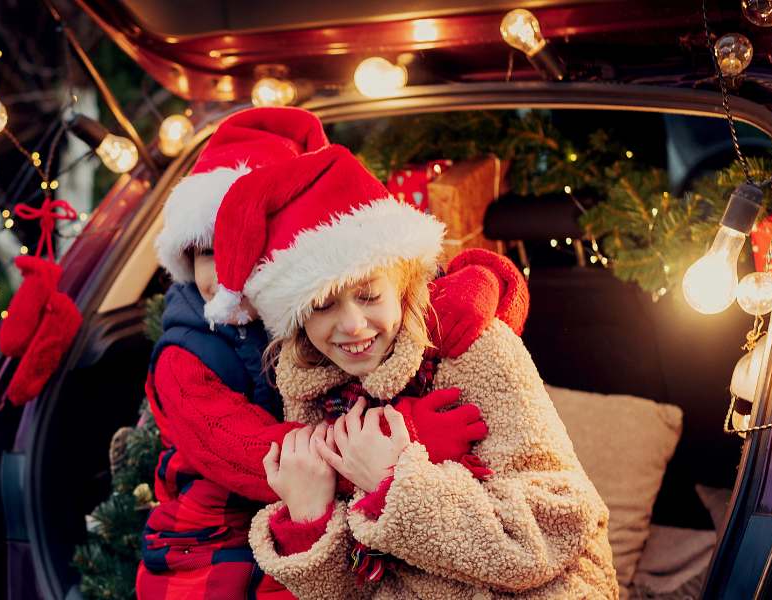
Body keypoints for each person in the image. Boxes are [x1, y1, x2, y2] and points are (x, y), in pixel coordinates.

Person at [137, 108, 529, 599]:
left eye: (241, 247)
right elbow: (260, 459)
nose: (223, 272)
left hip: (299, 513)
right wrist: (405, 438)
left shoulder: (311, 314)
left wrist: (485, 285)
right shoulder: (187, 355)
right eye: (205, 253)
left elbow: (420, 290)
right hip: (210, 534)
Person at [204, 143, 619, 599]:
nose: (353, 326)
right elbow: (356, 590)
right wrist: (309, 520)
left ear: (400, 282)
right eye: (322, 306)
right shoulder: (312, 392)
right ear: (297, 319)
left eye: (368, 296)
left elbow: (557, 524)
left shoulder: (472, 349)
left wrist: (395, 482)